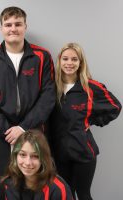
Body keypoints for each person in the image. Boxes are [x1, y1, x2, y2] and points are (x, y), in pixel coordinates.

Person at [0, 6, 55, 200]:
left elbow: (48, 96)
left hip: (34, 131)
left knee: (33, 187)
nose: (13, 29)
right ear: (1, 28)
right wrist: (8, 129)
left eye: (18, 24)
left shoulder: (42, 56)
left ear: (25, 26)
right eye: (8, 25)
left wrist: (22, 127)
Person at [49, 42, 121, 200]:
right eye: (65, 59)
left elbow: (115, 106)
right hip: (59, 153)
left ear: (80, 62)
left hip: (83, 152)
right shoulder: (51, 87)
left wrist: (92, 121)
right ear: (59, 61)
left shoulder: (91, 87)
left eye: (74, 59)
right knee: (65, 195)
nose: (69, 63)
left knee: (83, 194)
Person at [1, 129, 72, 200]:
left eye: (35, 156)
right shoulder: (9, 183)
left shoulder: (57, 189)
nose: (28, 162)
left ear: (44, 158)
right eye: (22, 154)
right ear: (15, 155)